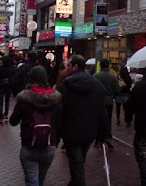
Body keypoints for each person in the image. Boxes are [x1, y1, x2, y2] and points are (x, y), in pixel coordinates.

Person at [58, 55, 109, 186]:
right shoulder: (96, 85)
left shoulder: (66, 85)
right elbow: (102, 111)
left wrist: (56, 134)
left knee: (76, 164)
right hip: (89, 130)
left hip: (71, 131)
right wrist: (103, 134)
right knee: (79, 162)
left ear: (75, 66)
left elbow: (59, 110)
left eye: (68, 65)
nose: (66, 68)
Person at [9, 66, 61, 186]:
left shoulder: (24, 98)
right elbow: (59, 122)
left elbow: (13, 121)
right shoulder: (56, 99)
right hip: (49, 145)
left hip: (29, 146)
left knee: (32, 181)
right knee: (40, 179)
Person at [93, 58, 120, 149]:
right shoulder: (112, 76)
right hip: (108, 102)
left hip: (98, 101)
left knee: (98, 120)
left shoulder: (96, 76)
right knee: (108, 119)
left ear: (100, 65)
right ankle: (107, 136)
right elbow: (117, 89)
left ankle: (98, 139)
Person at [0, 56, 13, 124]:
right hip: (8, 86)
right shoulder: (10, 69)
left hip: (1, 85)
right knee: (7, 101)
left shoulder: (0, 68)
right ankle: (6, 114)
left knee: (1, 101)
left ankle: (1, 117)